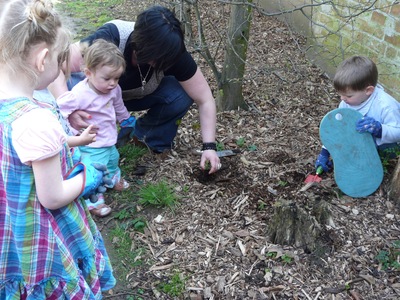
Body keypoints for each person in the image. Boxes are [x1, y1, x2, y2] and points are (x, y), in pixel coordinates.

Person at [0, 0, 116, 298]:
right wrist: (87, 177)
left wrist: (71, 141)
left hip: (9, 227)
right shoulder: (37, 118)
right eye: (60, 60)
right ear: (43, 59)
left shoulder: (11, 110)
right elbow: (51, 197)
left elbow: (20, 149)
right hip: (40, 232)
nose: (62, 69)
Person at [49, 5, 222, 174]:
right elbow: (54, 64)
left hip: (133, 97)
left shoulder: (173, 52)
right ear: (140, 47)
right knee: (69, 86)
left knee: (181, 94)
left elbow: (205, 99)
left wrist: (209, 147)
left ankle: (142, 137)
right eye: (159, 59)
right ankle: (75, 147)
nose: (165, 63)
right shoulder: (109, 38)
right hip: (93, 99)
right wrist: (68, 107)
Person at [57, 39, 136, 217]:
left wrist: (125, 119)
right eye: (107, 78)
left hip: (108, 137)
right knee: (95, 169)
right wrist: (70, 121)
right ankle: (93, 199)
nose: (112, 83)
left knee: (113, 159)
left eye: (116, 78)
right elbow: (60, 109)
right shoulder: (79, 93)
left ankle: (113, 178)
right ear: (88, 73)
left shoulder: (113, 90)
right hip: (91, 142)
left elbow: (119, 105)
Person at [315, 56, 400, 172]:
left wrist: (380, 130)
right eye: (341, 94)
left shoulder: (386, 105)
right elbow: (338, 129)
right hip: (359, 144)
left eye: (348, 95)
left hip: (385, 147)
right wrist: (325, 152)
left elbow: (398, 132)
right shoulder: (345, 103)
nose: (342, 98)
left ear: (368, 90)